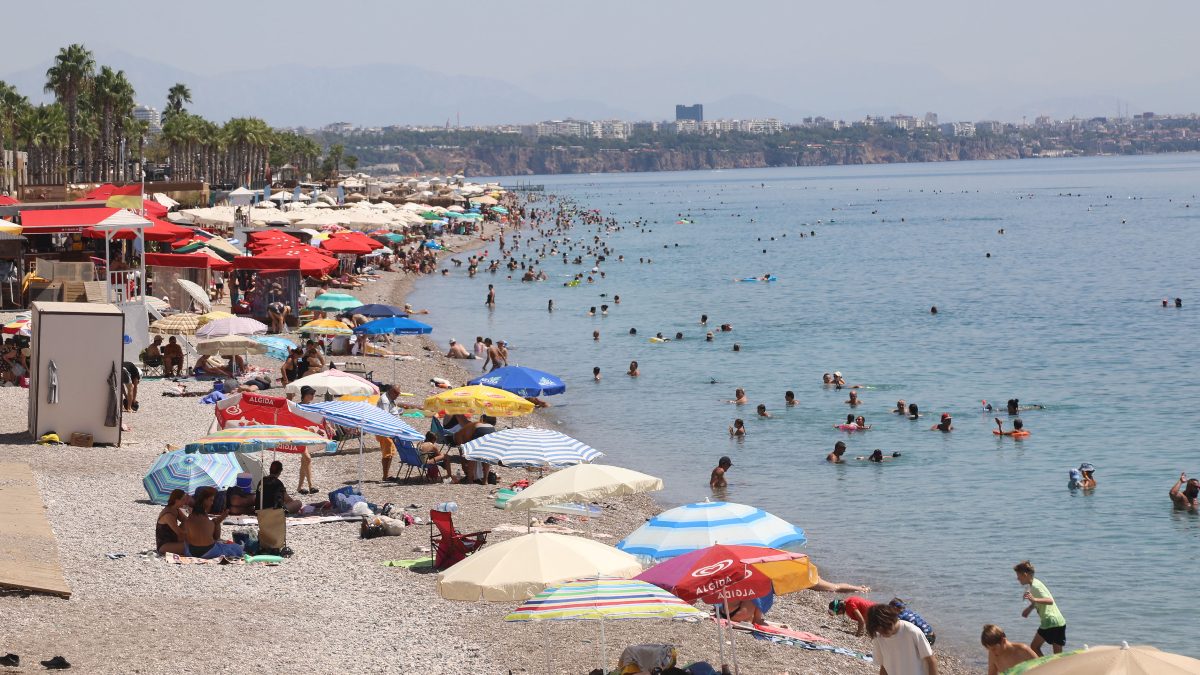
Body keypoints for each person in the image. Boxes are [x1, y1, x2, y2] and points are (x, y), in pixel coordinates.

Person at [866, 603, 938, 675]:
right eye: (879, 632)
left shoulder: (911, 631)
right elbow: (884, 665)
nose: (883, 635)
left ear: (890, 619)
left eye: (884, 631)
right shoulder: (878, 637)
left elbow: (931, 661)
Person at [1014, 560, 1066, 656]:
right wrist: (1030, 607)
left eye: (1018, 576)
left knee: (1034, 647)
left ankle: (1045, 665)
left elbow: (1049, 600)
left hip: (1049, 621)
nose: (1017, 578)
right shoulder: (1035, 583)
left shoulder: (1035, 587)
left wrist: (1033, 599)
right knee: (1058, 655)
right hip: (1059, 621)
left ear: (1025, 575)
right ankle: (1057, 666)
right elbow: (1041, 600)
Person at [183, 487, 243, 559]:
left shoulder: (188, 522)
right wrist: (218, 521)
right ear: (204, 499)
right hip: (210, 552)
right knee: (236, 548)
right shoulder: (210, 523)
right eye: (211, 500)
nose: (212, 503)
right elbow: (216, 537)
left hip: (192, 552)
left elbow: (189, 542)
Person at [297, 386, 319, 494]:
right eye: (311, 393)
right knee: (308, 459)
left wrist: (328, 427)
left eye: (314, 393)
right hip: (297, 435)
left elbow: (319, 419)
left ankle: (300, 487)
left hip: (307, 435)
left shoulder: (312, 407)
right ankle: (311, 486)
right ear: (305, 394)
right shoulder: (296, 407)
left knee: (304, 461)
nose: (313, 395)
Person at [156, 489, 190, 555]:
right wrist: (193, 541)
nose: (185, 502)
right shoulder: (168, 514)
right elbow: (180, 533)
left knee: (186, 522)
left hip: (174, 539)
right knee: (190, 548)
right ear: (177, 501)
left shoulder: (176, 510)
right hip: (164, 545)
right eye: (183, 500)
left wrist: (191, 514)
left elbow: (187, 521)